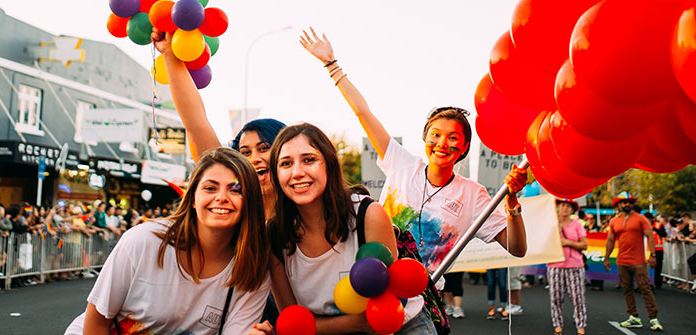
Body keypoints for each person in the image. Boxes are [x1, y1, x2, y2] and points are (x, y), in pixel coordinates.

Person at [299, 28, 529, 273]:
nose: (442, 143)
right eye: (436, 135)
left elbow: (517, 248)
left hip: (424, 298)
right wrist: (331, 65)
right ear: (425, 139)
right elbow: (363, 113)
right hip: (373, 283)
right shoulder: (401, 164)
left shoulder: (473, 195)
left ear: (463, 148)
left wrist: (512, 201)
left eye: (453, 137)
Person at [64, 148, 271, 335]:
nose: (222, 197)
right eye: (210, 188)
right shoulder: (144, 241)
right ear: (192, 199)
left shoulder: (252, 268)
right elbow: (96, 322)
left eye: (235, 190)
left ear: (250, 202)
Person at [256, 122, 435, 335]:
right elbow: (292, 321)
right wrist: (349, 325)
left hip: (401, 327)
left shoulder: (369, 214)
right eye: (286, 164)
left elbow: (384, 311)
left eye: (309, 160)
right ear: (276, 174)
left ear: (329, 165)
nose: (297, 172)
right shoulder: (274, 235)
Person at [153, 30, 285, 222]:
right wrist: (170, 54)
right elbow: (196, 124)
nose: (254, 159)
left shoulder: (309, 211)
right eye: (245, 152)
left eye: (264, 148)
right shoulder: (234, 210)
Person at [604, 192, 663, 331]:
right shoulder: (614, 221)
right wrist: (606, 257)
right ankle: (634, 317)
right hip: (622, 261)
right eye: (624, 202)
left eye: (629, 202)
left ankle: (653, 318)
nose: (627, 204)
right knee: (627, 289)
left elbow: (650, 236)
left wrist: (653, 255)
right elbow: (610, 241)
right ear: (618, 205)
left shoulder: (641, 218)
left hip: (639, 262)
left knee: (645, 288)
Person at [548, 198, 587, 335]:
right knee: (556, 297)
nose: (565, 208)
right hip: (555, 265)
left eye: (568, 206)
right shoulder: (551, 223)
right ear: (558, 207)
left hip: (574, 265)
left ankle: (580, 325)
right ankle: (557, 325)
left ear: (572, 210)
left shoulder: (577, 225)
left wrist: (568, 242)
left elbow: (584, 245)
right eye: (562, 205)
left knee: (577, 297)